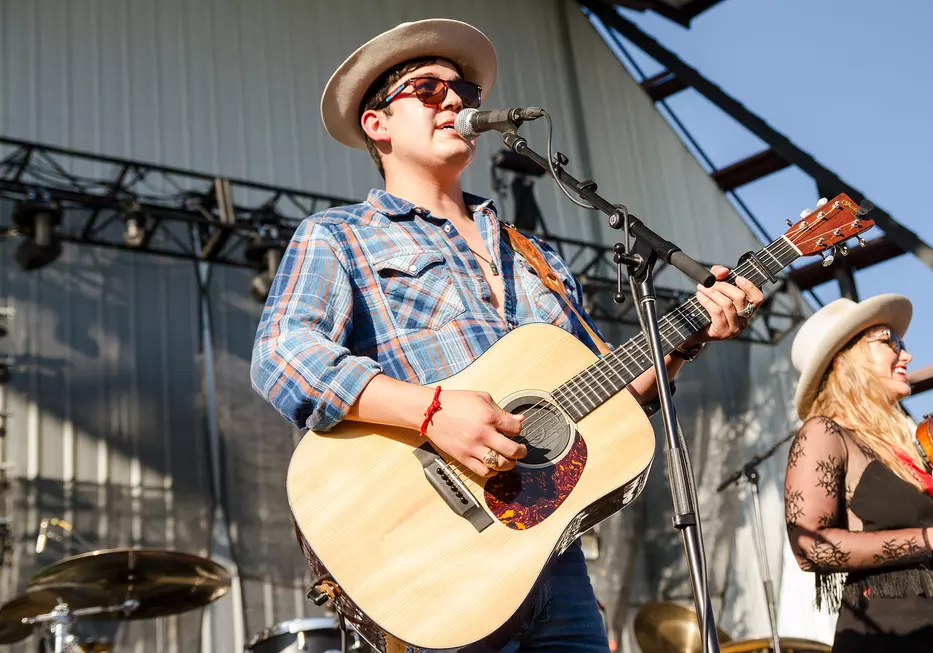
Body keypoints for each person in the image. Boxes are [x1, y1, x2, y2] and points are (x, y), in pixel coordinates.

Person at [251, 18, 764, 652]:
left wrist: (686, 336)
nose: (456, 99)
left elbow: (607, 401)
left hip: (553, 563)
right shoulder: (339, 236)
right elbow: (283, 356)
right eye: (427, 88)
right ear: (376, 124)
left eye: (462, 88)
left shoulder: (534, 255)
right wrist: (432, 411)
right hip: (433, 564)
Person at [785, 294, 933, 652]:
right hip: (897, 633)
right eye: (888, 342)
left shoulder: (902, 450)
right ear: (845, 361)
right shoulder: (825, 433)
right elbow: (809, 546)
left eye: (900, 342)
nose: (905, 354)